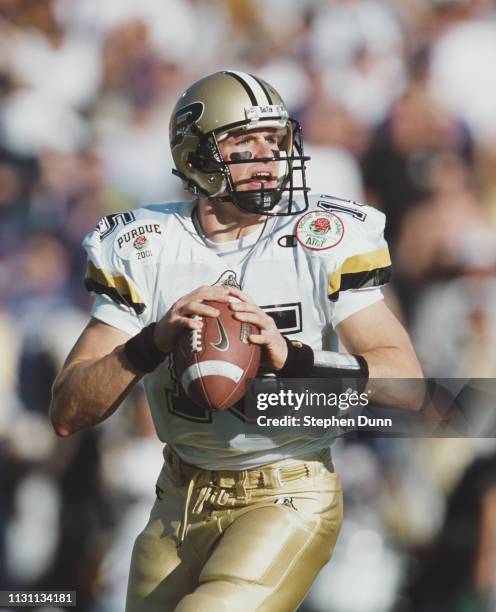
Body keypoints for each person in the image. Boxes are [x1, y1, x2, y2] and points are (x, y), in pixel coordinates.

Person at [49, 70, 422, 612]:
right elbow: (67, 410)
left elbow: (407, 384)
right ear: (197, 159)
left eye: (276, 142)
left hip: (287, 490)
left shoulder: (321, 237)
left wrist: (292, 357)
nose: (269, 158)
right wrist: (149, 343)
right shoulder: (144, 246)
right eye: (246, 145)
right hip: (178, 496)